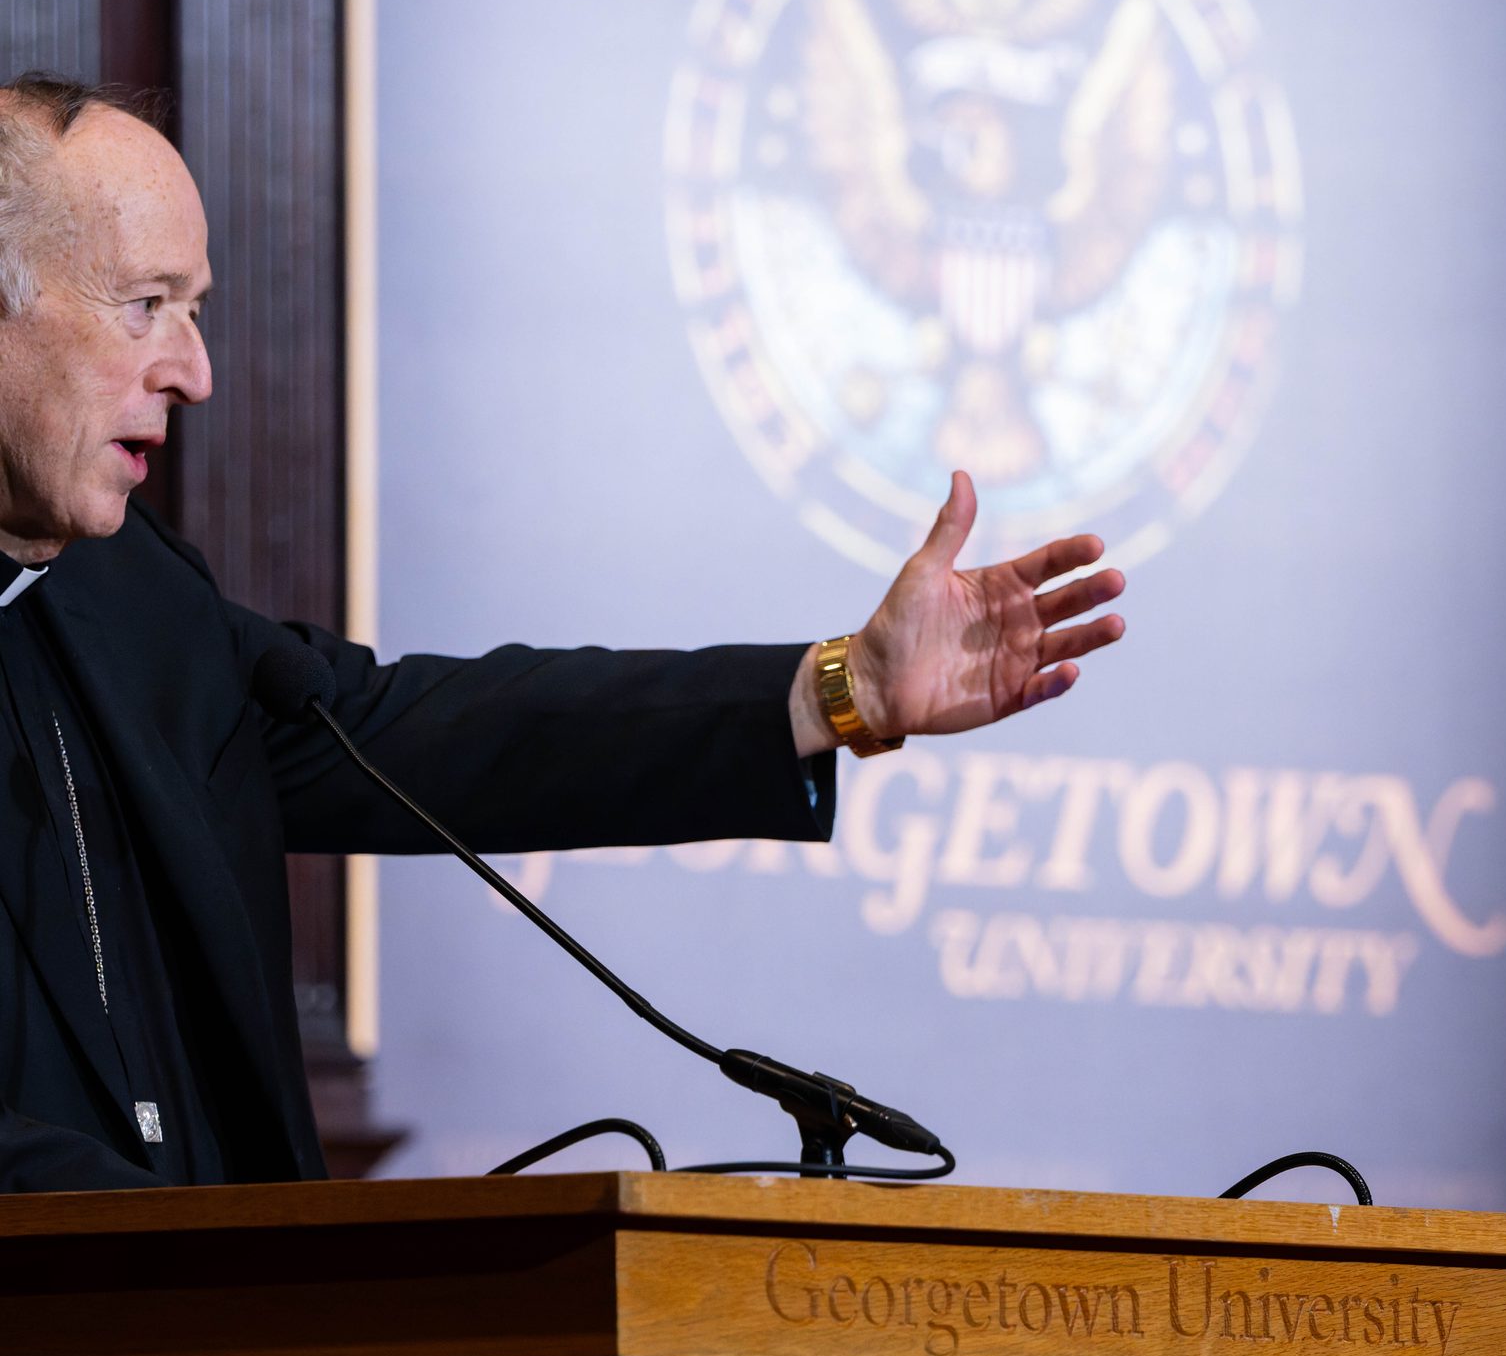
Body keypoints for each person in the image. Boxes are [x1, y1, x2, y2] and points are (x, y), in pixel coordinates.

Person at [0, 76, 1125, 1193]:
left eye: (197, 310)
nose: (195, 372)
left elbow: (425, 734)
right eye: (147, 304)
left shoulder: (132, 594)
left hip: (217, 1347)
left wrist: (835, 691)